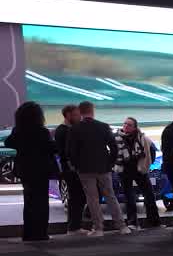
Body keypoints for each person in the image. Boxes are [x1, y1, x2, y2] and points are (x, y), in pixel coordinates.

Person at [67, 101, 128, 237]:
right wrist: (110, 163)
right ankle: (122, 226)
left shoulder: (75, 129)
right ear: (92, 111)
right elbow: (114, 147)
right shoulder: (103, 126)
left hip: (84, 169)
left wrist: (76, 165)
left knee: (92, 199)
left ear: (80, 112)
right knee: (110, 196)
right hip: (103, 167)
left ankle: (98, 228)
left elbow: (71, 151)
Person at [3, 101, 57, 241]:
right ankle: (41, 233)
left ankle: (28, 233)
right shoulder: (42, 131)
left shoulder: (18, 131)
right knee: (41, 202)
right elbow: (51, 148)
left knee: (29, 202)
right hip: (41, 170)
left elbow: (9, 142)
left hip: (25, 170)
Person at [114, 117, 161, 229]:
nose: (126, 126)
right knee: (129, 196)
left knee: (149, 194)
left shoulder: (142, 138)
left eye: (129, 125)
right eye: (125, 124)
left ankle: (154, 222)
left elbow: (152, 151)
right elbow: (113, 153)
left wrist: (146, 164)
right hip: (124, 170)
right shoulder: (116, 138)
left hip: (139, 170)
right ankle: (132, 222)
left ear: (135, 127)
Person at [53, 104, 87, 234]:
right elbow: (66, 152)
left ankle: (75, 226)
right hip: (71, 169)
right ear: (68, 115)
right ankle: (74, 226)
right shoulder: (64, 131)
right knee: (76, 197)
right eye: (76, 115)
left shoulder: (65, 129)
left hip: (72, 168)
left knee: (77, 197)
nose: (79, 117)